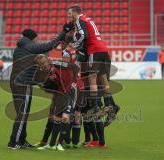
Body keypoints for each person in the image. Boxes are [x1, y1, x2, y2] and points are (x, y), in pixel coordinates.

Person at [8, 23, 74, 149]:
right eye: (36, 39)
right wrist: (63, 32)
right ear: (32, 38)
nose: (37, 41)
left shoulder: (21, 47)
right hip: (22, 84)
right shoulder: (28, 46)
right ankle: (14, 142)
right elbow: (49, 45)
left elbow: (42, 53)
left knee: (23, 113)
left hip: (17, 83)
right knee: (22, 113)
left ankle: (21, 140)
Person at [66, 4, 119, 148]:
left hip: (94, 49)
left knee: (91, 76)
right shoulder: (89, 19)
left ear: (76, 13)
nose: (68, 15)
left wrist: (74, 44)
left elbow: (84, 35)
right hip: (103, 48)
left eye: (69, 13)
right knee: (102, 77)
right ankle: (110, 104)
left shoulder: (79, 20)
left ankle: (96, 104)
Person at [34, 54, 78, 151]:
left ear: (47, 60)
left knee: (65, 117)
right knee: (56, 118)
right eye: (40, 64)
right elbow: (47, 86)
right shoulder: (46, 72)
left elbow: (74, 69)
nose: (43, 65)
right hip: (60, 94)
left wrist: (74, 82)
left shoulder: (58, 65)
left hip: (70, 92)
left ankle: (60, 144)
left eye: (44, 63)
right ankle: (52, 144)